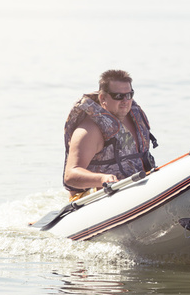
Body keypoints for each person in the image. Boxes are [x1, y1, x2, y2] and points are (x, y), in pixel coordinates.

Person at [63, 70, 157, 200]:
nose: (125, 101)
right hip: (102, 201)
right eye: (118, 96)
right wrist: (102, 178)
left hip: (139, 189)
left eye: (129, 95)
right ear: (103, 98)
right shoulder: (88, 131)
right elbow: (70, 175)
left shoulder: (135, 116)